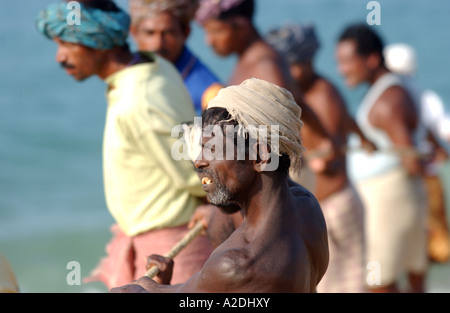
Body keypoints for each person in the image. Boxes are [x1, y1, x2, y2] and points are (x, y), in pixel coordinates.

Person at [36, 0, 213, 289]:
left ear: (97, 43)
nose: (60, 57)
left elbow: (192, 173)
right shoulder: (152, 65)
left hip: (172, 242)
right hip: (160, 235)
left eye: (67, 44)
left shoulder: (138, 99)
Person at [111, 78, 329, 293]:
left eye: (213, 149)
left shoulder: (238, 264)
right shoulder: (307, 207)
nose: (199, 161)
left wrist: (143, 289)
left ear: (261, 157)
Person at [266, 23, 368, 293]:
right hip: (319, 207)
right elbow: (348, 122)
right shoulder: (303, 96)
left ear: (307, 61)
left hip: (335, 206)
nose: (283, 75)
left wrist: (323, 159)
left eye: (288, 67)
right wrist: (365, 139)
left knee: (345, 286)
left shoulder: (323, 95)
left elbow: (331, 154)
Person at [336, 23, 429, 293]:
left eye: (346, 62)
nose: (342, 70)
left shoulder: (389, 100)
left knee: (379, 279)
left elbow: (410, 159)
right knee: (409, 274)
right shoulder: (394, 89)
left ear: (372, 59)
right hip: (398, 197)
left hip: (389, 201)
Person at [384, 43, 450, 263]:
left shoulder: (384, 99)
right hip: (426, 176)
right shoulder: (425, 98)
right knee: (437, 241)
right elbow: (443, 130)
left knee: (399, 242)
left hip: (394, 180)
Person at [129, 0, 223, 115]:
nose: (158, 43)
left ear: (185, 33)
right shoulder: (129, 79)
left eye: (168, 33)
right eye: (150, 33)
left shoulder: (211, 96)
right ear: (134, 33)